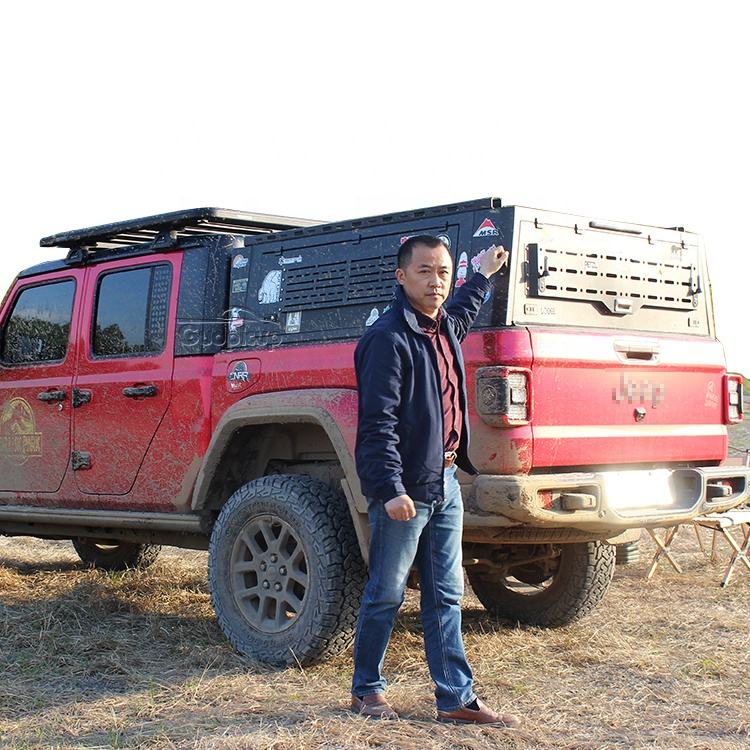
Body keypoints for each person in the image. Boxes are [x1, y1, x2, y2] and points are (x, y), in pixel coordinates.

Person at [350, 234, 521, 727]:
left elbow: (463, 308)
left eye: (443, 271)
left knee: (446, 593)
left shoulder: (444, 326)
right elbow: (376, 424)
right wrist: (390, 489)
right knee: (387, 591)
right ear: (401, 276)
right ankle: (366, 690)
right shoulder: (387, 339)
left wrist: (482, 275)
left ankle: (455, 699)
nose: (435, 281)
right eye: (424, 271)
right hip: (406, 488)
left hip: (445, 480)